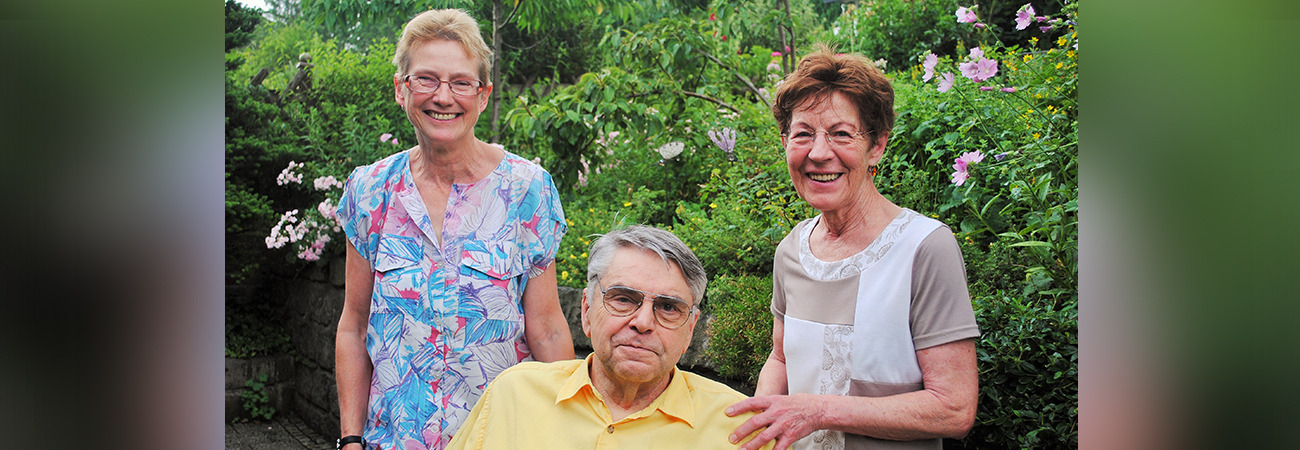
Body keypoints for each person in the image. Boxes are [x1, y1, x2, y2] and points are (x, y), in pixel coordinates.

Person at [333, 9, 575, 450]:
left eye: (461, 83)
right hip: (393, 440)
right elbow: (354, 323)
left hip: (502, 437)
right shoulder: (370, 191)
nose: (443, 97)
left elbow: (548, 328)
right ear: (400, 90)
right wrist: (350, 439)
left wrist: (571, 432)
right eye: (426, 79)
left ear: (482, 95)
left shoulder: (527, 191)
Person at [725, 46, 980, 450]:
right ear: (785, 142)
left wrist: (819, 411)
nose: (819, 152)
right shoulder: (792, 250)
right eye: (803, 133)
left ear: (876, 146)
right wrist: (761, 425)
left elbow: (954, 409)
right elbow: (781, 360)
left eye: (841, 133)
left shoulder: (925, 248)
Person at [445, 225, 773, 450]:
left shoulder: (741, 428)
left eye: (668, 307)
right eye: (624, 299)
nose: (643, 322)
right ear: (587, 310)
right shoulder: (514, 394)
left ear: (690, 328)